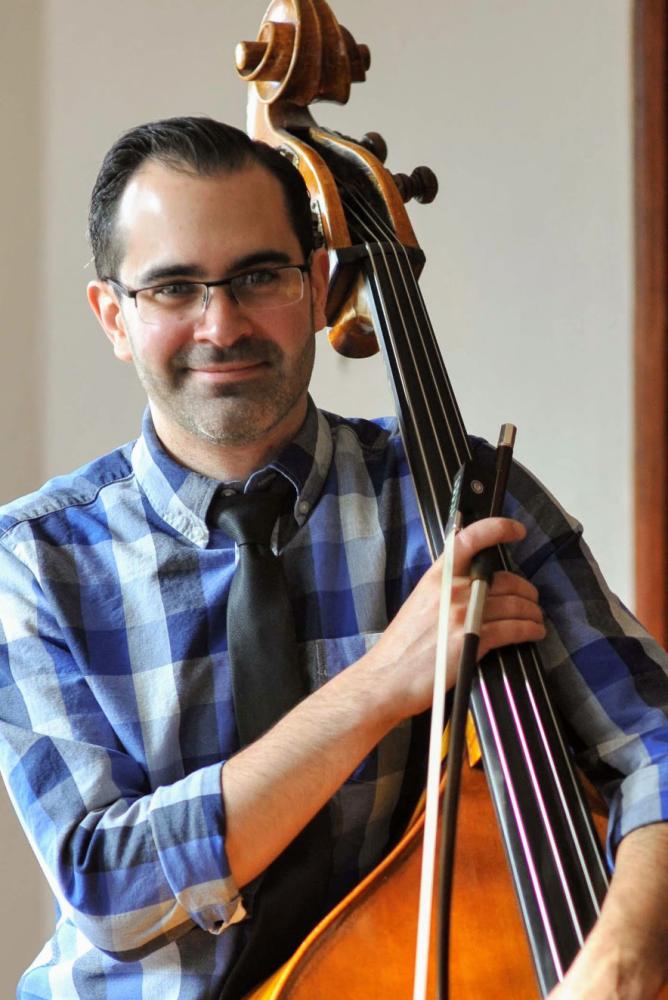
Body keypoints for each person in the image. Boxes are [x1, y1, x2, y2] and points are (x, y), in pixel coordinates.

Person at [0, 116, 666, 1000]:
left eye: (259, 276)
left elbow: (656, 745)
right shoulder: (35, 560)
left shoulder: (468, 500)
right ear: (114, 317)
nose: (221, 324)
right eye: (173, 288)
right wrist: (382, 683)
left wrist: (620, 962)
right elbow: (108, 887)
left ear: (317, 286)